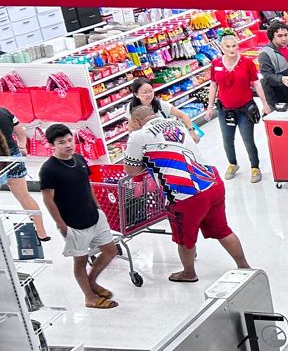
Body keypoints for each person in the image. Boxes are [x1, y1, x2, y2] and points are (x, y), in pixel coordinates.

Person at [124, 105, 250, 283]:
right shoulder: (174, 122)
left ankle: (189, 273)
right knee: (223, 230)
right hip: (211, 181)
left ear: (136, 122)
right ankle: (244, 266)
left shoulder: (137, 136)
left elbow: (132, 170)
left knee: (184, 240)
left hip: (185, 192)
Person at [37, 124, 118, 309]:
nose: (67, 145)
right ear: (52, 145)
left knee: (110, 251)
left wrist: (98, 207)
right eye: (61, 142)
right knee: (80, 261)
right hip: (73, 223)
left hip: (94, 216)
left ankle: (92, 282)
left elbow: (87, 184)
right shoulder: (49, 169)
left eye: (69, 140)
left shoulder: (79, 159)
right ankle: (89, 297)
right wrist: (61, 225)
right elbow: (48, 200)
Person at [204, 30, 265, 183]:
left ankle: (255, 167)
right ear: (221, 47)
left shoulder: (247, 63)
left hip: (245, 109)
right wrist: (210, 106)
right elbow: (213, 85)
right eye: (228, 47)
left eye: (234, 46)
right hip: (225, 110)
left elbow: (256, 83)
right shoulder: (216, 64)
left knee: (248, 140)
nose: (232, 49)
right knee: (227, 140)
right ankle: (232, 164)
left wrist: (265, 104)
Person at [0, 105, 49, 241]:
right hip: (12, 157)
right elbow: (20, 133)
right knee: (24, 197)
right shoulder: (5, 112)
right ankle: (41, 232)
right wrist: (22, 146)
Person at [127, 78, 197, 136]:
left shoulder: (161, 105)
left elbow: (183, 115)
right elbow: (131, 127)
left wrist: (192, 131)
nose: (149, 95)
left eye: (151, 91)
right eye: (144, 92)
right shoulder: (131, 107)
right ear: (136, 94)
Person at [257, 20, 288, 110]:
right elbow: (267, 75)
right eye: (280, 36)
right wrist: (281, 79)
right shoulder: (265, 54)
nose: (284, 39)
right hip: (276, 98)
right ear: (272, 37)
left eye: (286, 35)